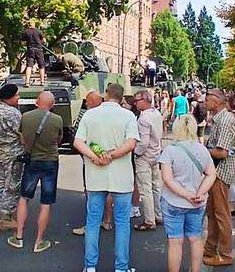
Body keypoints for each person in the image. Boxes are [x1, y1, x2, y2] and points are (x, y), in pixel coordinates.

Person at [73, 83, 140, 272]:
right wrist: (112, 155)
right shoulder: (128, 116)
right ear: (121, 97)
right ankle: (121, 267)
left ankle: (90, 266)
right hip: (121, 176)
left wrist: (95, 156)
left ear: (105, 95)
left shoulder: (90, 114)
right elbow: (131, 143)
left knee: (92, 221)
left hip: (95, 175)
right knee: (122, 223)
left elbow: (78, 141)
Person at [158, 115, 216, 272]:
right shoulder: (202, 150)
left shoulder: (170, 151)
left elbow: (168, 180)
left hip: (174, 201)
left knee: (175, 241)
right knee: (195, 238)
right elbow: (211, 174)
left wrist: (185, 195)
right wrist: (200, 192)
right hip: (197, 202)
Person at [8, 91, 63, 253]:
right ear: (52, 105)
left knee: (24, 198)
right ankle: (39, 241)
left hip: (32, 161)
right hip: (50, 161)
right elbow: (58, 140)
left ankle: (18, 237)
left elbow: (23, 139)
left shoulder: (26, 117)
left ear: (37, 101)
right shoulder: (57, 119)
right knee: (46, 203)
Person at [202, 89, 235, 267]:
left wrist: (201, 152)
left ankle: (225, 254)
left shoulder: (224, 120)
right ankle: (210, 249)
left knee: (221, 215)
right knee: (213, 213)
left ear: (217, 102)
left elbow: (221, 152)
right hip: (215, 173)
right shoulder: (219, 119)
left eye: (207, 100)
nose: (205, 103)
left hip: (221, 173)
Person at [72, 91, 114, 236]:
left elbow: (77, 138)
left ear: (90, 101)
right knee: (108, 189)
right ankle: (107, 220)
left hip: (91, 158)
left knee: (91, 191)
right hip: (109, 156)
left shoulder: (85, 115)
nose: (85, 103)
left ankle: (90, 225)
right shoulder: (110, 115)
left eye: (87, 101)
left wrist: (90, 156)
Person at [0, 84, 24, 230]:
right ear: (10, 97)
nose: (19, 98)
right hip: (14, 153)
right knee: (12, 185)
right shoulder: (13, 113)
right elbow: (21, 133)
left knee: (0, 184)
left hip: (0, 151)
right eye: (17, 95)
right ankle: (6, 218)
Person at [133, 88, 163, 231]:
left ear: (145, 101)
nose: (135, 103)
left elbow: (143, 142)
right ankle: (158, 214)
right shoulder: (157, 114)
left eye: (137, 100)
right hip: (155, 154)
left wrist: (136, 152)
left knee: (145, 189)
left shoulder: (143, 118)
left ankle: (149, 220)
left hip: (144, 156)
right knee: (156, 186)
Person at [22, 21, 46, 87]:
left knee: (29, 66)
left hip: (30, 49)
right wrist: (39, 42)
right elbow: (44, 41)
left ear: (28, 25)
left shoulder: (26, 32)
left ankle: (27, 82)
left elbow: (23, 43)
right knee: (41, 66)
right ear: (34, 25)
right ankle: (42, 82)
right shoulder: (39, 31)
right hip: (39, 49)